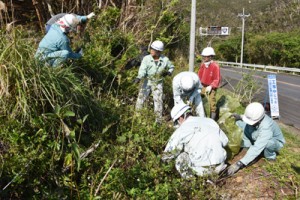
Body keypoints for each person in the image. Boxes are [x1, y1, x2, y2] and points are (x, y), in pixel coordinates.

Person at [162, 103, 228, 178]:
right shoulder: (209, 121)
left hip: (202, 169)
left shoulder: (180, 130)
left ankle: (192, 182)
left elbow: (169, 154)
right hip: (221, 164)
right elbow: (225, 141)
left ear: (181, 117)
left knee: (180, 158)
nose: (178, 124)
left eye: (177, 121)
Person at [227, 102, 285, 176]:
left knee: (267, 143)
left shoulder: (266, 127)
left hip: (274, 142)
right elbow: (248, 118)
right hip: (257, 133)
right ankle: (247, 147)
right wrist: (240, 117)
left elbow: (257, 147)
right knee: (240, 124)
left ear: (259, 120)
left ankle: (270, 157)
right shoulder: (256, 117)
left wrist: (240, 163)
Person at [133, 40, 174, 123]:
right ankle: (137, 118)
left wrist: (169, 72)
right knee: (141, 99)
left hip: (158, 83)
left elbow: (171, 66)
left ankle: (158, 121)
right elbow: (142, 69)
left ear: (158, 52)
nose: (151, 50)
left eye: (153, 50)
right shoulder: (146, 59)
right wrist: (139, 78)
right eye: (151, 48)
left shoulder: (165, 60)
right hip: (147, 82)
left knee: (158, 101)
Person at [198, 47, 221, 120]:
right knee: (197, 98)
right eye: (203, 56)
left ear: (210, 56)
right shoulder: (203, 65)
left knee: (212, 103)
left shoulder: (215, 66)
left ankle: (212, 121)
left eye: (206, 56)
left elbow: (217, 79)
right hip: (202, 86)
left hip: (211, 88)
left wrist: (211, 86)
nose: (204, 58)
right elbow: (199, 76)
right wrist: (198, 85)